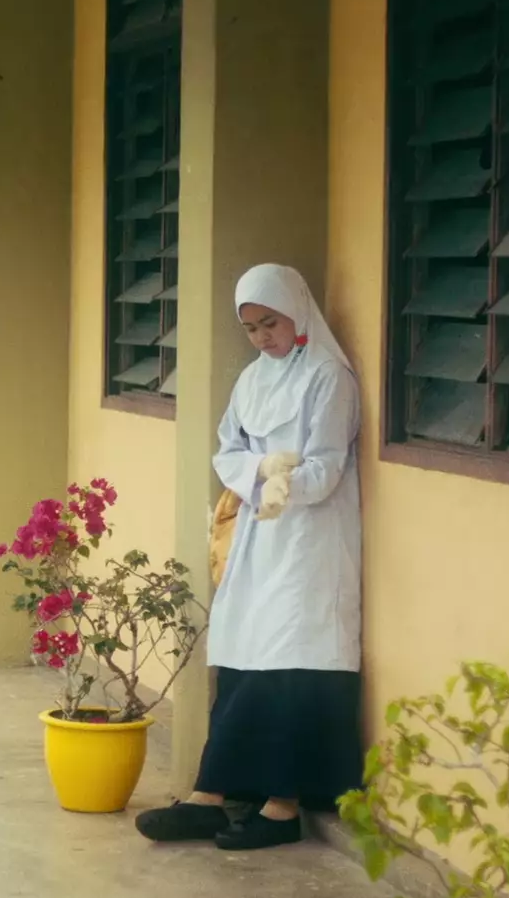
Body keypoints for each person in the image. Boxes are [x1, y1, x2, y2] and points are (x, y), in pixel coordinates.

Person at [136, 263, 364, 852]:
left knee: (291, 663)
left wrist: (285, 483)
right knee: (243, 655)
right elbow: (228, 451)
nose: (263, 337)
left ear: (297, 311)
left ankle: (282, 808)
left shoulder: (328, 377)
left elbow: (327, 466)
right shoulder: (252, 380)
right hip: (259, 535)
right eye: (252, 328)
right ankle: (209, 798)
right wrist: (262, 471)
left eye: (271, 322)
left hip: (311, 539)